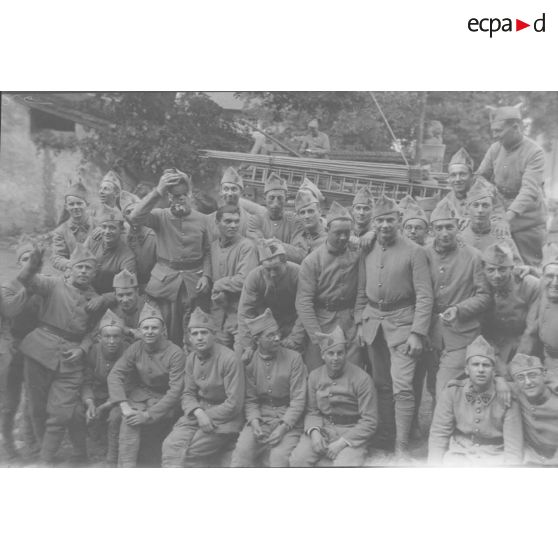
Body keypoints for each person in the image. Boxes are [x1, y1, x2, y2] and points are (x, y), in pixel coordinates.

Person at [354, 194, 433, 458]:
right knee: (381, 384)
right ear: (373, 223)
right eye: (380, 221)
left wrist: (417, 333)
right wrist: (359, 323)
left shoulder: (415, 251)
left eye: (390, 220)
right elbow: (361, 291)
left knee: (402, 387)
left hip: (402, 325)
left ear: (399, 220)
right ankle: (385, 437)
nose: (385, 225)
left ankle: (401, 447)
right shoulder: (367, 246)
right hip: (373, 323)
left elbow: (424, 295)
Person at [17, 243, 103, 464]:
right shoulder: (53, 284)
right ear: (70, 269)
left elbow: (94, 331)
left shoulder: (95, 300)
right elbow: (27, 280)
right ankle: (42, 454)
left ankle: (45, 460)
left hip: (70, 359)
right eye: (79, 267)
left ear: (94, 273)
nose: (83, 272)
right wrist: (33, 264)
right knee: (36, 407)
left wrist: (82, 349)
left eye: (88, 269)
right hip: (39, 350)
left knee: (62, 412)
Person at [129, 168, 211, 346]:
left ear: (189, 195)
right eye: (174, 195)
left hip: (194, 284)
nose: (179, 198)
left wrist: (206, 275)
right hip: (165, 284)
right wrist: (157, 191)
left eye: (183, 195)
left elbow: (208, 251)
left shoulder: (204, 220)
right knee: (166, 333)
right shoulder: (160, 217)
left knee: (194, 332)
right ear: (168, 197)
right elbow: (134, 217)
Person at [162, 308, 244, 467]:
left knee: (190, 452)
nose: (199, 338)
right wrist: (198, 412)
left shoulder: (230, 359)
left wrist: (206, 415)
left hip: (225, 419)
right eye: (194, 334)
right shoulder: (192, 358)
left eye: (204, 333)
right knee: (170, 445)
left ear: (214, 334)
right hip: (198, 414)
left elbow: (234, 404)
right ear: (190, 338)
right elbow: (187, 394)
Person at [425, 198, 491, 397]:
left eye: (449, 227)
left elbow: (485, 296)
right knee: (432, 386)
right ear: (431, 230)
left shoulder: (473, 256)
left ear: (458, 227)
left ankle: (445, 427)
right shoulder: (422, 254)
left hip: (461, 334)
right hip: (430, 333)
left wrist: (460, 309)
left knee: (448, 388)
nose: (444, 233)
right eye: (439, 228)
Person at [107, 302, 186, 467]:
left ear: (163, 330)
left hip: (166, 399)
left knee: (141, 422)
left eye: (154, 328)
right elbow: (115, 374)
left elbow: (175, 391)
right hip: (142, 394)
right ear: (140, 330)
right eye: (145, 328)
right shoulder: (136, 348)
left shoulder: (175, 353)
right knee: (127, 418)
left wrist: (148, 414)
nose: (149, 332)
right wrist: (124, 405)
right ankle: (122, 465)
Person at [428, 335, 523, 466]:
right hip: (459, 454)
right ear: (467, 369)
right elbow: (439, 433)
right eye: (475, 364)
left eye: (486, 365)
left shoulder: (506, 395)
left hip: (494, 456)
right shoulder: (453, 392)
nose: (481, 370)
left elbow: (514, 446)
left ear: (494, 370)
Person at [289, 326, 377, 467]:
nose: (335, 358)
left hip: (351, 431)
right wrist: (314, 433)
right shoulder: (314, 376)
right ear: (323, 355)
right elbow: (312, 411)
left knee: (345, 466)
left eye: (340, 353)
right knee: (298, 461)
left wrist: (342, 443)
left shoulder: (362, 379)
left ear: (346, 354)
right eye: (330, 353)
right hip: (324, 429)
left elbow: (370, 421)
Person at [231, 309, 307, 467]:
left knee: (278, 459)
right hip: (262, 418)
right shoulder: (250, 363)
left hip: (289, 419)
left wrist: (283, 427)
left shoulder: (294, 359)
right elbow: (250, 400)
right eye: (270, 336)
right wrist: (254, 422)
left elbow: (299, 400)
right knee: (242, 453)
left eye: (278, 333)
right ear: (257, 340)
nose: (277, 338)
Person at [296, 201, 363, 371]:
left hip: (350, 322)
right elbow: (303, 303)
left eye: (347, 233)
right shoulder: (312, 261)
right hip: (322, 322)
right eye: (338, 233)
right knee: (317, 372)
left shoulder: (357, 252)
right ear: (327, 230)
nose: (343, 238)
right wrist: (317, 337)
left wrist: (359, 322)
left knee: (351, 372)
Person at [477, 104, 546, 266]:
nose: (494, 136)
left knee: (527, 269)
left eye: (498, 131)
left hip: (527, 222)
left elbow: (529, 190)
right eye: (493, 131)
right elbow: (480, 175)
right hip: (500, 216)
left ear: (515, 127)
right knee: (496, 265)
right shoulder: (495, 148)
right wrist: (486, 187)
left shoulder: (535, 152)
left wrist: (506, 218)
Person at [0, 238, 41, 460]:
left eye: (32, 260)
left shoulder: (43, 285)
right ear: (19, 263)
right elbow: (11, 312)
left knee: (34, 399)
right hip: (14, 351)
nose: (28, 264)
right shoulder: (8, 287)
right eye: (25, 259)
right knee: (10, 401)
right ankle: (7, 441)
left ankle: (32, 440)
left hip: (35, 349)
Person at [237, 239, 306, 357]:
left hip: (294, 322)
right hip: (265, 327)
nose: (272, 274)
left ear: (285, 262)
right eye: (268, 270)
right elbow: (245, 312)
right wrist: (248, 345)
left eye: (276, 268)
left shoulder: (299, 273)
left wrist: (295, 339)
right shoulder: (254, 277)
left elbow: (305, 309)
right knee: (242, 355)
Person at [481, 243, 540, 375]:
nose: (496, 276)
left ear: (512, 268)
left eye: (502, 270)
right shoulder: (479, 287)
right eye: (490, 270)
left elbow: (531, 331)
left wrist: (518, 362)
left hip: (525, 346)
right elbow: (480, 330)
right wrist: (495, 358)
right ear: (483, 269)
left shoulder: (530, 285)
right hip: (492, 347)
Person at [80, 309, 128, 466]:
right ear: (99, 337)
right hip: (97, 394)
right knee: (81, 413)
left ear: (122, 337)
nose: (112, 341)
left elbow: (130, 385)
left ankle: (113, 455)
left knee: (115, 416)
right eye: (107, 336)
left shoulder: (128, 351)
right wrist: (90, 403)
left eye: (116, 336)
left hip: (121, 397)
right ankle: (92, 446)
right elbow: (86, 381)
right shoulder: (93, 351)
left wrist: (106, 405)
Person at [209, 205, 258, 349]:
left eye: (237, 221)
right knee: (218, 359)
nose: (233, 225)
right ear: (217, 222)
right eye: (228, 221)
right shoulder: (213, 247)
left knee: (240, 359)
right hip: (217, 315)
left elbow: (245, 281)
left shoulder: (247, 246)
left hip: (239, 315)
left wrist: (219, 284)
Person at [460, 177, 523, 265]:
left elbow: (517, 266)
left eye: (485, 205)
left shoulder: (501, 233)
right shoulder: (459, 234)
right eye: (475, 205)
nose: (480, 210)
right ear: (467, 208)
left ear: (492, 209)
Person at [509, 353, 558, 465]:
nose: (528, 382)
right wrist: (499, 382)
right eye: (520, 378)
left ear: (544, 374)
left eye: (532, 375)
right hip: (532, 457)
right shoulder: (516, 393)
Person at [443, 148, 507, 231]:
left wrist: (475, 221)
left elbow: (499, 218)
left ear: (471, 176)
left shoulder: (486, 193)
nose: (457, 179)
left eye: (462, 174)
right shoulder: (449, 197)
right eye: (453, 175)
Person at [518, 247, 558, 377]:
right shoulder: (544, 287)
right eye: (550, 276)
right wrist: (530, 269)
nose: (555, 283)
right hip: (547, 359)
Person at [247, 172, 303, 263]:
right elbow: (255, 249)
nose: (276, 203)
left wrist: (276, 244)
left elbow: (300, 254)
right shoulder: (255, 220)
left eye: (280, 198)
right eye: (271, 198)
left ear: (286, 198)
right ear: (265, 198)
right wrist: (282, 246)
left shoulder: (294, 221)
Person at [84, 205, 136, 295]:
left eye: (112, 227)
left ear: (121, 230)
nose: (107, 231)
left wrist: (105, 298)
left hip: (110, 296)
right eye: (104, 227)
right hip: (86, 290)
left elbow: (126, 288)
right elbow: (76, 264)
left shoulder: (127, 256)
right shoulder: (93, 240)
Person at [206, 166, 266, 242]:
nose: (230, 193)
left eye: (234, 189)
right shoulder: (209, 219)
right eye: (226, 189)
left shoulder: (251, 221)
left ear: (241, 192)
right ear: (221, 191)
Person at [50, 181, 95, 273]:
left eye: (79, 203)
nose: (75, 207)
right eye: (71, 204)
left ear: (87, 204)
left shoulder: (98, 225)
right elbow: (57, 257)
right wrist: (72, 264)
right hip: (73, 275)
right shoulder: (61, 231)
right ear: (66, 207)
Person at [120, 191, 157, 292]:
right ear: (124, 217)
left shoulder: (155, 235)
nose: (132, 215)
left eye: (135, 210)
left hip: (153, 287)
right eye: (128, 212)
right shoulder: (122, 238)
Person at [290, 187, 327, 260]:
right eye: (302, 213)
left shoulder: (330, 234)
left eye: (310, 211)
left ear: (320, 212)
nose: (306, 216)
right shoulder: (296, 233)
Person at [111, 269, 146, 342]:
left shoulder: (148, 306)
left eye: (129, 294)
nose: (125, 300)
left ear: (137, 292)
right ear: (115, 295)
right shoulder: (112, 308)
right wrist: (129, 331)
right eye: (120, 295)